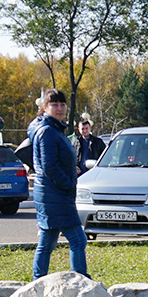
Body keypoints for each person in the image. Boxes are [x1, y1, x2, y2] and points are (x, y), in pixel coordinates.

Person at [28, 90, 87, 279]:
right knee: (78, 240)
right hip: (55, 193)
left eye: (62, 104)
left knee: (48, 240)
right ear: (44, 107)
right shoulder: (47, 131)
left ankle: (37, 281)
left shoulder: (53, 128)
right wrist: (68, 182)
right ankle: (81, 281)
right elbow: (49, 166)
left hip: (51, 193)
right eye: (54, 105)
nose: (60, 109)